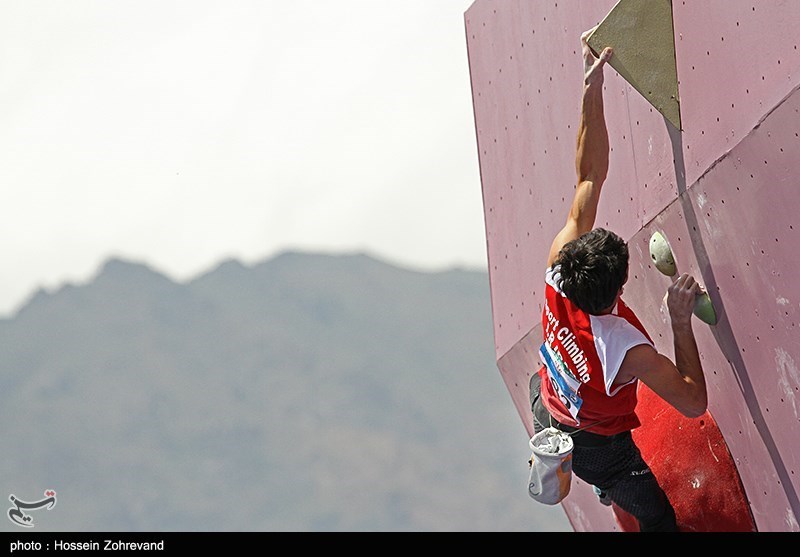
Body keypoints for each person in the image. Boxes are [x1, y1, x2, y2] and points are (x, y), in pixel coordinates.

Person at [529, 28, 708, 532]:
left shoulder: (560, 263)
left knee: (540, 392)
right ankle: (610, 484)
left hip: (546, 404)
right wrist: (680, 321)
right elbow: (693, 402)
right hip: (595, 448)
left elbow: (588, 176)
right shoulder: (626, 350)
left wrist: (591, 90)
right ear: (619, 292)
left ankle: (560, 458)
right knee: (659, 519)